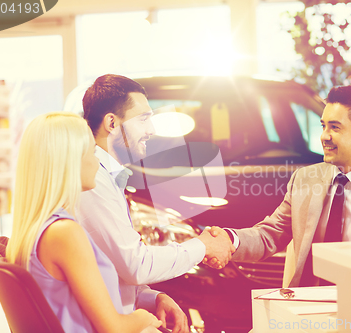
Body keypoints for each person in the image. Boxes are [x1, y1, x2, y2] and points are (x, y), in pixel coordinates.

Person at [208, 85, 351, 287]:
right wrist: (230, 240)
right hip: (305, 307)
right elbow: (270, 234)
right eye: (323, 126)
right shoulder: (304, 180)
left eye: (335, 128)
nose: (324, 136)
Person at [76, 74, 234, 333]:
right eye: (143, 119)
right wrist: (202, 245)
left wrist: (152, 297)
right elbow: (134, 265)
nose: (151, 130)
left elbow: (113, 268)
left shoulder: (109, 177)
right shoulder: (92, 182)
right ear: (112, 123)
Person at [6, 112, 162, 332]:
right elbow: (114, 328)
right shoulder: (64, 233)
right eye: (91, 151)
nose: (97, 161)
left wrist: (151, 299)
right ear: (68, 161)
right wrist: (144, 318)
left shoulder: (42, 227)